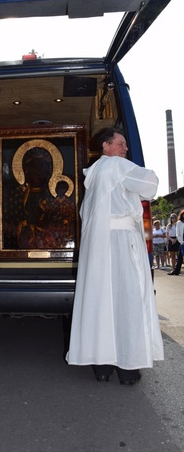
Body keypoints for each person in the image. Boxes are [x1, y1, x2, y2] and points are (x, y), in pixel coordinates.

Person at [66, 128, 164, 385]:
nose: (125, 148)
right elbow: (149, 184)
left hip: (98, 248)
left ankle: (102, 367)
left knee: (101, 303)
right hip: (121, 244)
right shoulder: (117, 166)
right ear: (106, 146)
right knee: (127, 302)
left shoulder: (95, 173)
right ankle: (128, 368)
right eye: (120, 144)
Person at [167, 209, 184, 276]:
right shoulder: (179, 223)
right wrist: (182, 241)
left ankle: (176, 270)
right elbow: (177, 234)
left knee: (179, 257)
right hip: (182, 241)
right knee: (179, 256)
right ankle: (176, 270)